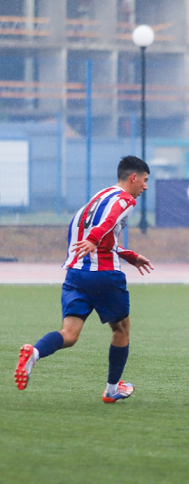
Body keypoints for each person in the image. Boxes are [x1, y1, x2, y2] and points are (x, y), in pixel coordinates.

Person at [14, 156, 154, 403]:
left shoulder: (97, 199)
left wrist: (128, 255)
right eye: (144, 180)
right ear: (134, 177)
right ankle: (112, 390)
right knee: (122, 330)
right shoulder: (125, 199)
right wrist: (95, 239)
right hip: (104, 276)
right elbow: (106, 225)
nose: (145, 186)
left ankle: (34, 353)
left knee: (69, 334)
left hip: (75, 275)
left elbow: (85, 232)